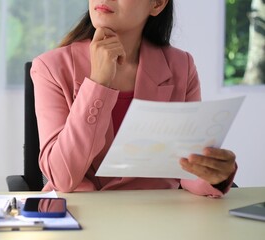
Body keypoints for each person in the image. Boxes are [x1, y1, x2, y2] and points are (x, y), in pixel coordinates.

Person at [30, 0, 237, 197]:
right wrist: (98, 83)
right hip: (83, 219)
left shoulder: (181, 66)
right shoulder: (51, 68)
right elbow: (62, 177)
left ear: (156, 4)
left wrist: (214, 175)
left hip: (156, 217)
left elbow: (185, 168)